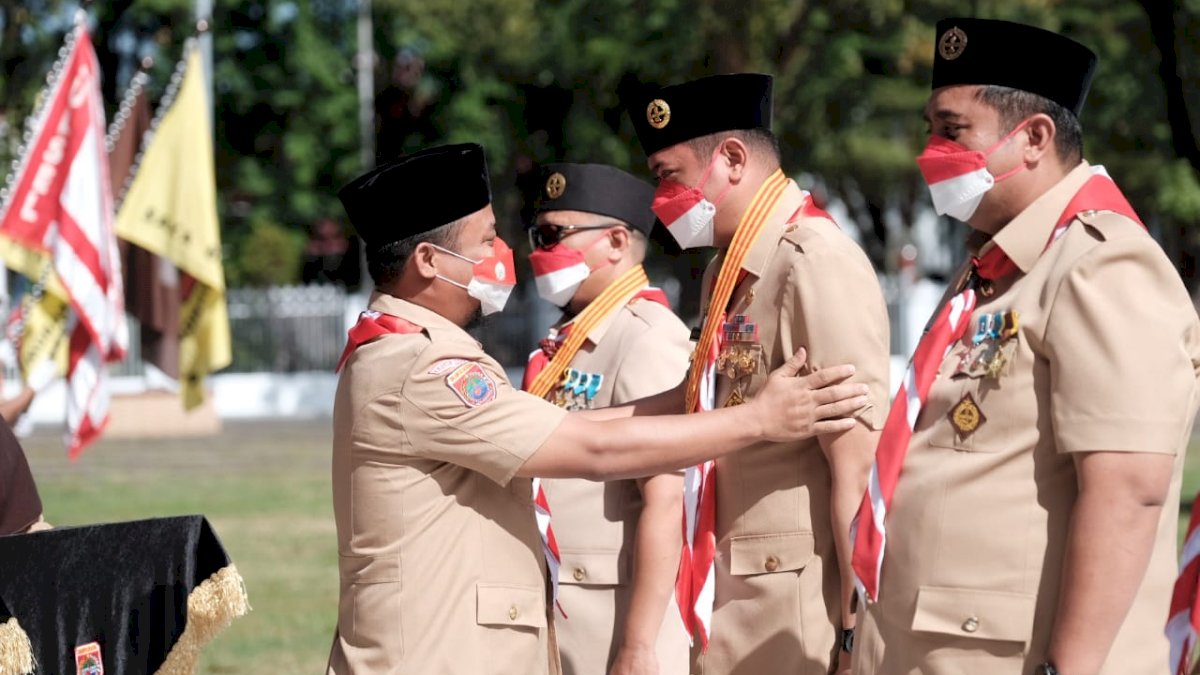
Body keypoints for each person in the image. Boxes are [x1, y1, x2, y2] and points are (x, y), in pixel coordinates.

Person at [326, 142, 870, 675]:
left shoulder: (404, 352)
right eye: (487, 240)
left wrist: (694, 397)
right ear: (428, 261)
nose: (505, 254)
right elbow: (591, 448)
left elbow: (569, 429)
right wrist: (758, 420)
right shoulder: (422, 366)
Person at [849, 18, 1200, 675]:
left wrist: (1069, 667)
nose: (930, 151)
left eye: (952, 130)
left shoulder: (1103, 263)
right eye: (930, 129)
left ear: (1034, 138)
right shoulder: (996, 264)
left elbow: (1129, 490)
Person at [622, 74, 891, 674]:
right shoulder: (732, 269)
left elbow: (858, 468)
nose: (660, 197)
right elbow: (702, 402)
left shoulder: (813, 260)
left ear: (733, 159)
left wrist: (857, 633)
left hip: (794, 616)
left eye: (669, 175)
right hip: (733, 603)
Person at [523, 162, 690, 675]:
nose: (539, 252)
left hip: (613, 624)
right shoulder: (571, 338)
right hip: (560, 610)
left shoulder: (645, 336)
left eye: (554, 235)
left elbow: (667, 499)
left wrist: (639, 645)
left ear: (616, 242)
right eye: (536, 236)